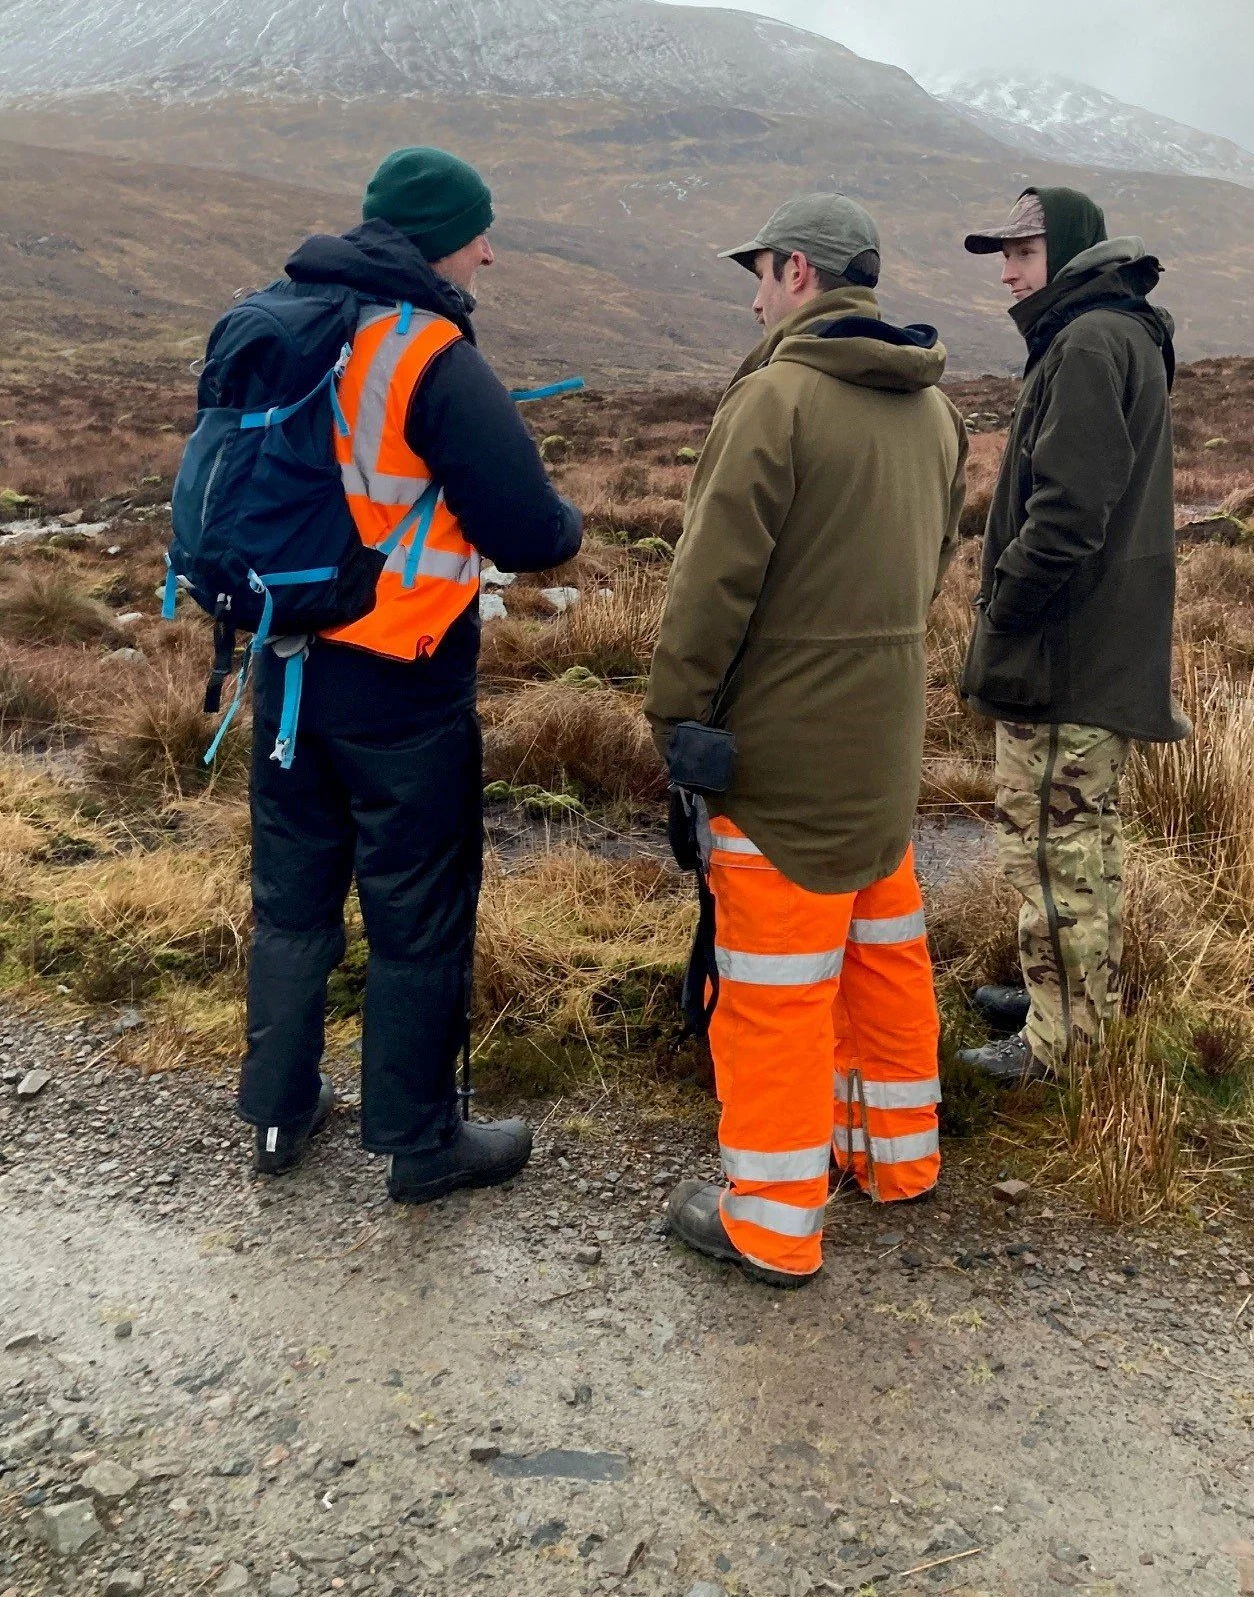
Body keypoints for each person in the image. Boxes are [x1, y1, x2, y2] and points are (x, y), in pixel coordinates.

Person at [241, 147, 583, 1192]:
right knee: (416, 912)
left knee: (293, 902)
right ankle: (420, 1143)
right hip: (402, 678)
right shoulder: (429, 351)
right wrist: (564, 516)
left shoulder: (282, 325)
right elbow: (531, 534)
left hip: (285, 665)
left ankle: (276, 1117)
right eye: (481, 230)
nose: (490, 249)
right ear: (444, 238)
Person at [645, 194, 967, 1287]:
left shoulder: (774, 400)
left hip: (779, 751)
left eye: (761, 273)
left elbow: (710, 585)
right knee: (885, 955)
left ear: (797, 272)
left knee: (774, 992)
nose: (751, 295)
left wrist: (674, 714)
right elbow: (927, 577)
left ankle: (773, 1223)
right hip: (883, 745)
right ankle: (897, 1160)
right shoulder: (938, 412)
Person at [956, 187, 1185, 1085]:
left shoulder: (1089, 341)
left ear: (1072, 253)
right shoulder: (1110, 333)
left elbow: (1068, 515)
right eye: (1002, 255)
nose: (1006, 272)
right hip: (1092, 650)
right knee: (1083, 841)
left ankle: (1065, 1045)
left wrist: (1005, 611)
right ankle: (1070, 995)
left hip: (1066, 656)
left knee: (1055, 849)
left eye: (1022, 253)